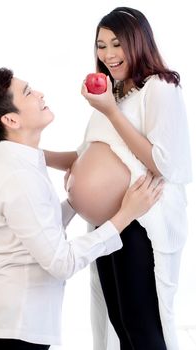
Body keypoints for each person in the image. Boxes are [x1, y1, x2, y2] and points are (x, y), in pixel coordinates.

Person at [0, 67, 163, 350]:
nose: (39, 94)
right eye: (28, 92)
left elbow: (37, 231)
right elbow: (61, 262)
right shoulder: (16, 178)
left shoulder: (15, 165)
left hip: (14, 327)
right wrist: (125, 215)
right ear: (11, 119)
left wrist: (74, 202)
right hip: (17, 331)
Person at [44, 6, 192, 350]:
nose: (108, 54)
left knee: (143, 327)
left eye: (116, 44)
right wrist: (33, 155)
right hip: (107, 226)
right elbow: (86, 154)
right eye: (101, 45)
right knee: (120, 323)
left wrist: (110, 110)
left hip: (142, 221)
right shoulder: (115, 90)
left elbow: (165, 164)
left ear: (138, 42)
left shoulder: (161, 87)